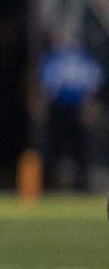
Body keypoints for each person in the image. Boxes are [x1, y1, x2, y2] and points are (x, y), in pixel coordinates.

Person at [39, 26, 103, 191]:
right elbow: (93, 85)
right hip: (71, 109)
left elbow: (47, 88)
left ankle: (56, 183)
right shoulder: (84, 59)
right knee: (73, 149)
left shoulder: (55, 59)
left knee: (60, 148)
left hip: (64, 109)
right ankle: (75, 183)